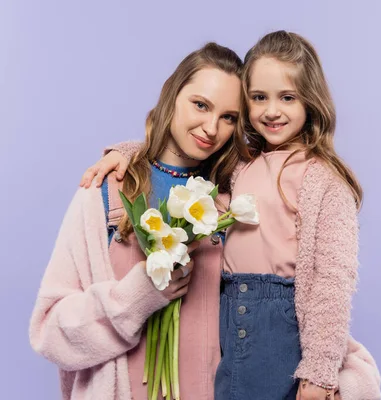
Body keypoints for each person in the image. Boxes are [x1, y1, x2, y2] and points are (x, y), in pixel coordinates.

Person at [88, 31, 381, 400]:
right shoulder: (239, 163)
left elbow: (332, 282)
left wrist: (319, 373)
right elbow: (179, 159)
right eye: (259, 98)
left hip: (279, 317)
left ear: (311, 101)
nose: (271, 110)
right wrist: (128, 153)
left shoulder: (323, 179)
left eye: (287, 97)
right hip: (225, 311)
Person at [30, 42, 244, 400]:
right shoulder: (106, 190)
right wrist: (134, 297)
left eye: (229, 117)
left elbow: (273, 305)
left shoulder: (231, 202)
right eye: (201, 104)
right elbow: (49, 331)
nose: (211, 127)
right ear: (172, 95)